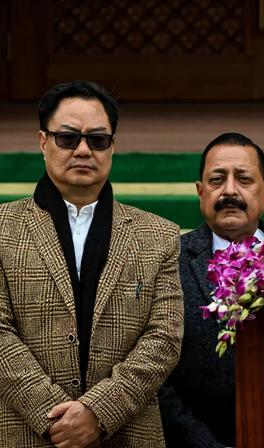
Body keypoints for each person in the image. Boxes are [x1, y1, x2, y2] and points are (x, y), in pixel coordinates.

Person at [0, 80, 183, 446]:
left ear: (112, 147)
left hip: (126, 432)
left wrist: (98, 414)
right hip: (25, 431)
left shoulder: (159, 235)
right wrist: (54, 416)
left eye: (97, 140)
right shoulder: (3, 228)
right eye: (68, 138)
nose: (83, 150)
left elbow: (165, 338)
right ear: (42, 142)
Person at [159, 133, 264, 447]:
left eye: (244, 179)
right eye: (217, 180)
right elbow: (159, 377)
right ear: (200, 192)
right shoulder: (169, 262)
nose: (230, 191)